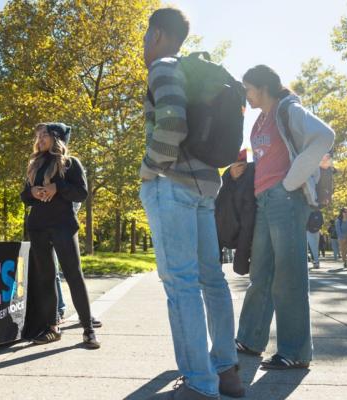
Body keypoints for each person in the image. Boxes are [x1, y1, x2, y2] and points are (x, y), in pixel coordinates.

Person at [140, 8, 243, 399]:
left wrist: (149, 169)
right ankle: (226, 370)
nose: (144, 45)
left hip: (172, 185)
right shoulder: (194, 70)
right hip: (205, 187)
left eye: (146, 37)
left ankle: (200, 385)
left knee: (180, 284)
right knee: (211, 281)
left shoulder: (163, 68)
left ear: (156, 34)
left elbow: (172, 126)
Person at [235, 65, 334, 370]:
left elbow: (324, 136)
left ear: (262, 87)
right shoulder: (259, 121)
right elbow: (269, 159)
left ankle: (295, 352)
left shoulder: (288, 109)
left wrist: (291, 181)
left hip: (287, 199)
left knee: (289, 276)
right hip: (265, 200)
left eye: (248, 88)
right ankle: (250, 339)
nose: (246, 95)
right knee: (260, 273)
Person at [20, 122, 100, 349]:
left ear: (57, 138)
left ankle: (88, 330)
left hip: (63, 226)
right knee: (46, 278)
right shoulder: (34, 164)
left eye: (45, 134)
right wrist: (32, 192)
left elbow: (81, 193)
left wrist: (57, 187)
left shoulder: (70, 163)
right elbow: (25, 196)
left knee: (74, 275)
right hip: (37, 227)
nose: (40, 138)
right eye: (38, 134)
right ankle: (51, 328)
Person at [215, 149, 257, 276]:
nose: (239, 167)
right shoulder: (226, 178)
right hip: (222, 232)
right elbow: (217, 212)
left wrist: (241, 258)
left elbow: (248, 221)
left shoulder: (248, 179)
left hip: (236, 233)